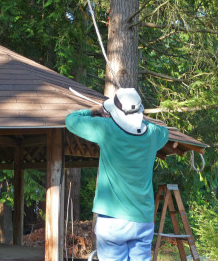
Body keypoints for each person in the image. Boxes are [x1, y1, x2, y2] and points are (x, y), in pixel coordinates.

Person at [65, 88, 169, 261]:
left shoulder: (107, 129)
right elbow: (163, 131)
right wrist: (138, 116)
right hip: (142, 219)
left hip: (112, 220)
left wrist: (95, 111)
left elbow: (71, 120)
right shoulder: (152, 135)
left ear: (116, 112)